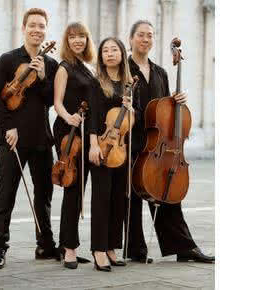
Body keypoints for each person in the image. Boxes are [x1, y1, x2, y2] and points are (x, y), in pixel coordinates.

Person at [126, 20, 215, 264]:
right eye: (141, 35)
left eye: (150, 36)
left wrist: (178, 100)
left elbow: (164, 109)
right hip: (132, 139)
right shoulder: (123, 68)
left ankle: (184, 247)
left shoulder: (160, 73)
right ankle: (135, 249)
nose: (146, 39)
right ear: (131, 38)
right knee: (131, 198)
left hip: (158, 145)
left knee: (166, 193)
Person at [0, 8, 59, 269]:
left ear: (46, 30)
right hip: (12, 138)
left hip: (41, 138)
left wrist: (40, 78)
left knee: (44, 195)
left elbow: (52, 100)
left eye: (42, 26)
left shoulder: (51, 65)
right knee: (6, 193)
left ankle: (45, 245)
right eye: (33, 25)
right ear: (24, 28)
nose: (37, 30)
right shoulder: (8, 60)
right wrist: (8, 126)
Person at [52, 22, 97, 269]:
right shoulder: (64, 67)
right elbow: (57, 102)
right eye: (72, 37)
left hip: (86, 131)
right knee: (72, 189)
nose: (77, 40)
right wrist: (68, 116)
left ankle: (66, 243)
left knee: (79, 189)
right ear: (67, 41)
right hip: (69, 131)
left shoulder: (88, 67)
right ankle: (69, 248)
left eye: (81, 36)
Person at [88, 37, 134, 271]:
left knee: (118, 198)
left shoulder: (127, 84)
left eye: (114, 49)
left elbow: (128, 121)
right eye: (105, 50)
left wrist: (130, 108)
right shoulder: (97, 83)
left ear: (122, 53)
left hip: (121, 148)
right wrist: (94, 145)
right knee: (101, 198)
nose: (109, 53)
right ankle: (98, 249)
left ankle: (111, 247)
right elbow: (94, 117)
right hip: (102, 146)